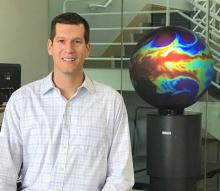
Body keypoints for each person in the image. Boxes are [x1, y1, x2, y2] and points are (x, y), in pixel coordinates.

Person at [0, 12, 134, 191]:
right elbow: (4, 170)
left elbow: (121, 175)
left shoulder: (111, 102)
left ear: (88, 48)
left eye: (77, 42)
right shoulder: (22, 101)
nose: (69, 49)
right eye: (61, 41)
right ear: (50, 46)